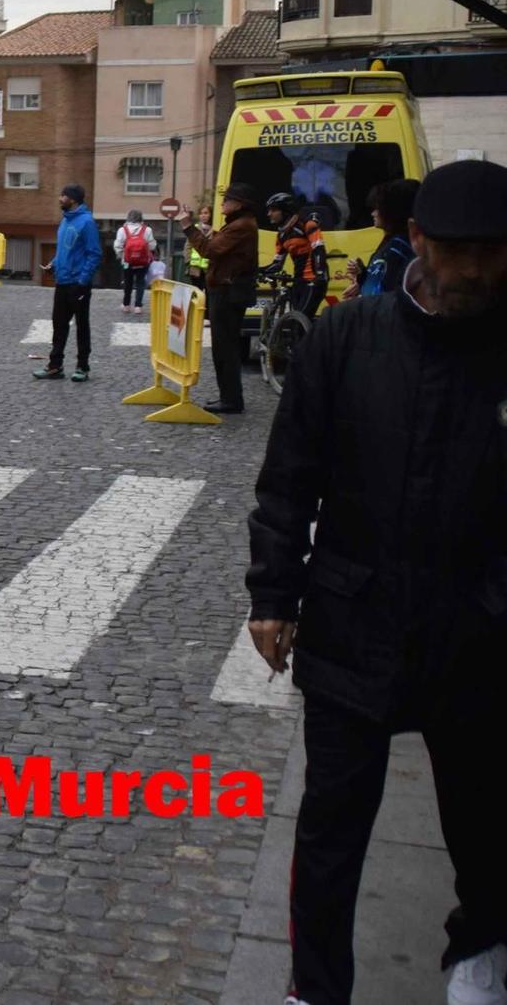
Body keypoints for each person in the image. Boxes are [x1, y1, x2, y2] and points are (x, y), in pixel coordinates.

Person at [246, 158, 507, 1005]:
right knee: (329, 832)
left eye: (493, 253)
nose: (475, 271)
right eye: (459, 251)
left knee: (488, 833)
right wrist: (272, 595)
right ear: (420, 241)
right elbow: (291, 476)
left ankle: (479, 966)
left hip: (480, 637)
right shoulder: (345, 338)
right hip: (355, 623)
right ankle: (314, 990)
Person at [178, 183, 262, 415]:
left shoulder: (241, 226)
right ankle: (229, 397)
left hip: (228, 292)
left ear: (240, 204)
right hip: (226, 290)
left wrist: (187, 226)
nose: (223, 203)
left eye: (228, 199)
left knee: (225, 348)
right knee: (224, 347)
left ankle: (232, 400)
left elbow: (210, 250)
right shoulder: (238, 224)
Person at [34, 184, 100, 382]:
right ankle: (55, 366)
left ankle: (82, 366)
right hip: (62, 282)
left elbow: (94, 254)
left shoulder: (86, 222)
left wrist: (83, 280)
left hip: (78, 284)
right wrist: (53, 263)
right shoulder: (65, 221)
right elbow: (65, 250)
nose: (60, 198)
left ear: (74, 199)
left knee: (82, 326)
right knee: (59, 325)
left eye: (64, 195)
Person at [342, 178, 419, 302]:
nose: (373, 213)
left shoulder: (397, 249)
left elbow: (384, 292)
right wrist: (362, 275)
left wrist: (358, 305)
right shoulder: (392, 242)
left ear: (391, 211)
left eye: (377, 208)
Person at [263, 191, 329, 322]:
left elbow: (319, 251)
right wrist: (260, 271)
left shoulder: (307, 225)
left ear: (286, 211)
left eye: (273, 210)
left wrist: (321, 274)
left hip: (314, 280)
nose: (269, 214)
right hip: (299, 281)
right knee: (294, 323)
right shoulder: (282, 235)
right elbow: (277, 264)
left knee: (302, 319)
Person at [114, 209, 157, 315]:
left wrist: (122, 256)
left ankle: (126, 305)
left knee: (128, 282)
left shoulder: (122, 230)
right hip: (143, 261)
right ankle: (138, 306)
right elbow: (152, 246)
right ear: (141, 218)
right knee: (140, 282)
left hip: (127, 262)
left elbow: (118, 246)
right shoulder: (147, 230)